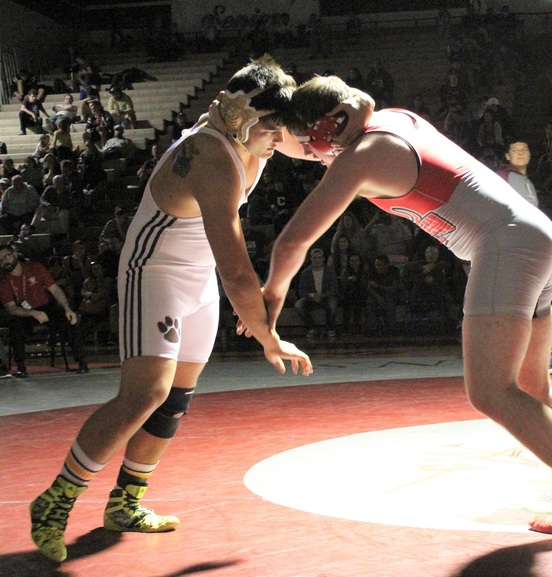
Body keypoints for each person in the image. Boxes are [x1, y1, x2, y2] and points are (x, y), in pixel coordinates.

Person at [261, 75, 552, 570]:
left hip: (505, 244)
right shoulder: (388, 120)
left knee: (490, 390)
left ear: (323, 128)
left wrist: (267, 305)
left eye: (294, 138)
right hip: (533, 234)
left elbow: (292, 243)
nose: (300, 151)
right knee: (533, 385)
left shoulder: (362, 155)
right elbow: (351, 105)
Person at [28, 56, 371, 564]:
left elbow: (321, 133)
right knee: (144, 393)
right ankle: (54, 501)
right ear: (246, 119)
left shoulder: (255, 129)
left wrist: (355, 113)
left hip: (197, 276)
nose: (283, 143)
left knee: (174, 400)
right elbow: (237, 270)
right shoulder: (211, 157)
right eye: (274, 131)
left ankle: (126, 503)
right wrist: (267, 335)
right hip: (157, 273)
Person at [497, 138, 552, 374]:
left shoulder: (523, 180)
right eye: (514, 150)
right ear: (507, 156)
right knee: (528, 304)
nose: (520, 153)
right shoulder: (505, 178)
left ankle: (530, 357)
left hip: (523, 249)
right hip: (516, 251)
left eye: (524, 149)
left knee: (529, 304)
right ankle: (536, 358)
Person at [0, 243, 88, 378]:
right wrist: (33, 313)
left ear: (15, 255)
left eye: (7, 256)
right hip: (25, 312)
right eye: (1, 260)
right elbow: (11, 308)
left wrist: (67, 308)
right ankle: (21, 367)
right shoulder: (4, 281)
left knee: (70, 320)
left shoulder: (34, 267)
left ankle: (81, 361)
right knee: (16, 325)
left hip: (46, 307)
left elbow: (55, 289)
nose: (5, 261)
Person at [295, 247, 339, 338]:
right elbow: (301, 290)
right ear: (311, 259)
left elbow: (334, 288)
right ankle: (311, 328)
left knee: (332, 303)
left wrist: (322, 295)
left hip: (326, 297)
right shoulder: (305, 273)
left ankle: (330, 329)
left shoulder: (330, 271)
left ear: (323, 258)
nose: (317, 260)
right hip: (311, 299)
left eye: (319, 258)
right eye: (314, 258)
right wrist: (312, 295)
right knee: (299, 304)